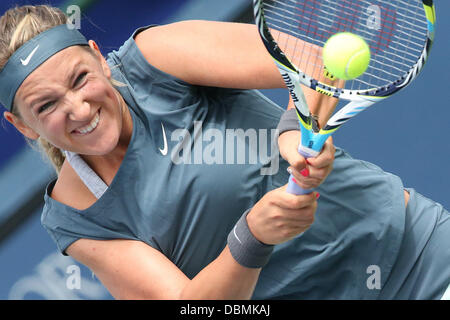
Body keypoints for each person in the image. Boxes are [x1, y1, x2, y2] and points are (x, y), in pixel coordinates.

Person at [1, 5, 448, 300]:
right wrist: (251, 238)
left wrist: (294, 131)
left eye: (80, 79)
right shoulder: (75, 216)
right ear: (21, 125)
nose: (78, 108)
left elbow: (308, 63)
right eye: (47, 106)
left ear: (99, 57)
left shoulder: (155, 57)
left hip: (418, 259)